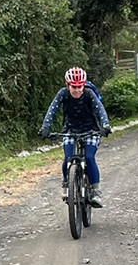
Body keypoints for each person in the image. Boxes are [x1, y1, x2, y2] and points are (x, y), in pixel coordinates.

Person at [38, 66, 112, 207]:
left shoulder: (89, 94)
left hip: (91, 130)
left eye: (80, 87)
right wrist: (45, 127)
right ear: (68, 85)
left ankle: (96, 191)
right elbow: (52, 110)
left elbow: (100, 109)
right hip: (70, 130)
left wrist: (105, 125)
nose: (77, 90)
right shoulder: (63, 94)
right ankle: (67, 184)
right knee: (67, 158)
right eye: (74, 87)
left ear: (83, 85)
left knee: (89, 158)